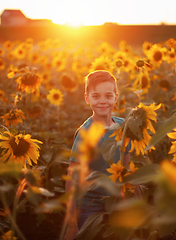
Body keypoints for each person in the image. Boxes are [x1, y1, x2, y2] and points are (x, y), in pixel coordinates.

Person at [63, 70, 131, 240]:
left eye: (108, 96)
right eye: (96, 96)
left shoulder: (124, 126)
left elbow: (129, 170)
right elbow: (72, 179)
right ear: (87, 98)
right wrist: (71, 224)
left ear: (116, 97)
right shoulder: (85, 133)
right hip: (90, 206)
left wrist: (137, 203)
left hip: (118, 203)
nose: (102, 101)